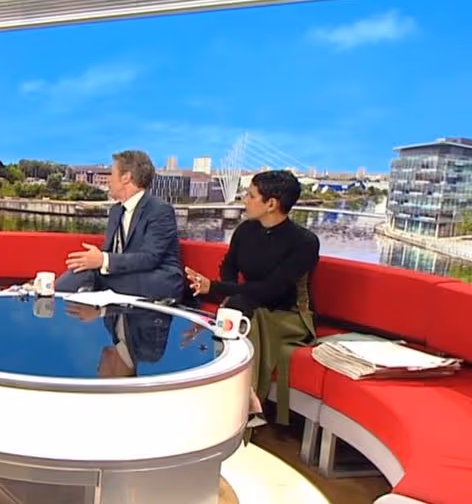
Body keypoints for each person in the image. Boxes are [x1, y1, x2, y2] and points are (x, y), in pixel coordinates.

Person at [185, 170, 320, 428]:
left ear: (271, 204)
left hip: (289, 314)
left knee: (244, 319)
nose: (244, 200)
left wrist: (215, 288)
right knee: (238, 312)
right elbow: (228, 267)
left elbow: (273, 290)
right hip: (249, 303)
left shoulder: (304, 242)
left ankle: (240, 406)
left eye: (250, 195)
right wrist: (230, 293)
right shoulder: (245, 230)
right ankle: (239, 401)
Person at [57, 150, 185, 302]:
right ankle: (49, 293)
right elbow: (108, 253)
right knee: (85, 272)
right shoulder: (116, 211)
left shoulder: (159, 210)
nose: (108, 181)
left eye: (111, 174)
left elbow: (150, 258)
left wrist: (103, 260)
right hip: (126, 276)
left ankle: (49, 294)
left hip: (157, 280)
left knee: (92, 276)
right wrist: (95, 259)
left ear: (126, 177)